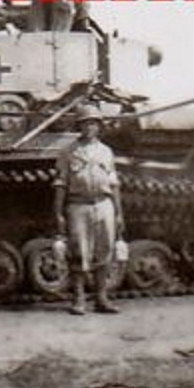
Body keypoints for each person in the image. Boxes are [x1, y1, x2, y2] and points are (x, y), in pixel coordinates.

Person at [54, 104, 123, 315]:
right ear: (79, 126)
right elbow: (60, 183)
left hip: (103, 204)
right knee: (78, 252)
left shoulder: (106, 151)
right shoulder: (68, 152)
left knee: (104, 251)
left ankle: (101, 298)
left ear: (99, 126)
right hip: (78, 205)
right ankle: (79, 299)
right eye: (85, 123)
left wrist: (119, 212)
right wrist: (58, 213)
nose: (89, 127)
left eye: (93, 123)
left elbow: (113, 183)